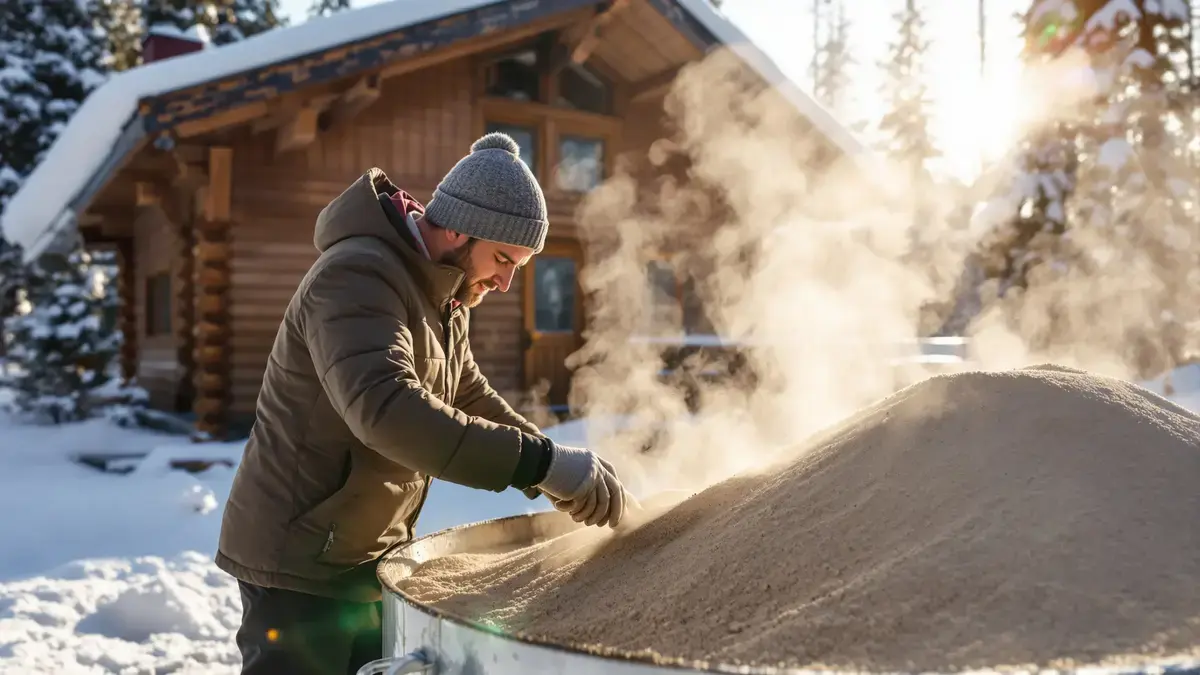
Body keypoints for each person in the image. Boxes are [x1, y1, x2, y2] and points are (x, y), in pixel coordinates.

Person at [214, 132, 631, 675]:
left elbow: (467, 393)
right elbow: (385, 408)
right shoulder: (357, 275)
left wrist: (551, 463)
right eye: (503, 259)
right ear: (458, 227)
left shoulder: (442, 294)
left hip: (362, 555)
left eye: (519, 268)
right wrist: (542, 465)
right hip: (299, 562)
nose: (506, 283)